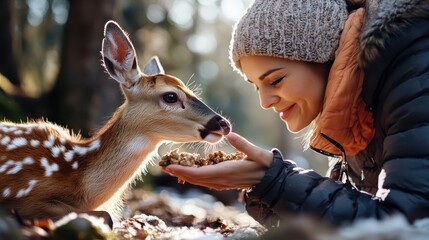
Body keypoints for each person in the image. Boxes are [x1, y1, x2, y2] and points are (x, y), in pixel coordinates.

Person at [163, 0, 429, 227]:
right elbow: (350, 222)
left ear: (325, 56)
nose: (265, 102)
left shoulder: (415, 72)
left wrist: (275, 181)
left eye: (275, 80)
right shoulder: (353, 115)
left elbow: (408, 225)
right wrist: (264, 190)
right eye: (256, 86)